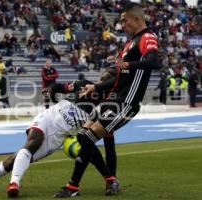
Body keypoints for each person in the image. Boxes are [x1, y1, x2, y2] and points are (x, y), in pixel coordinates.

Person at [54, 3, 160, 198]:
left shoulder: (147, 37)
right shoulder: (130, 43)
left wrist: (128, 64)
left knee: (87, 138)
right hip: (113, 99)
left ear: (136, 18)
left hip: (126, 103)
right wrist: (97, 87)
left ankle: (74, 186)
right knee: (83, 137)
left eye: (124, 20)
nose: (122, 24)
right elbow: (121, 77)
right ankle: (106, 181)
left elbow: (155, 62)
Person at [0, 78, 117, 197]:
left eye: (108, 79)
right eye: (104, 76)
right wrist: (51, 98)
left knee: (10, 163)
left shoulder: (105, 109)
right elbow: (58, 87)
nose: (103, 80)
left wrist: (109, 176)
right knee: (32, 143)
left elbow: (100, 145)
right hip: (47, 119)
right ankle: (14, 184)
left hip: (57, 138)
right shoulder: (83, 85)